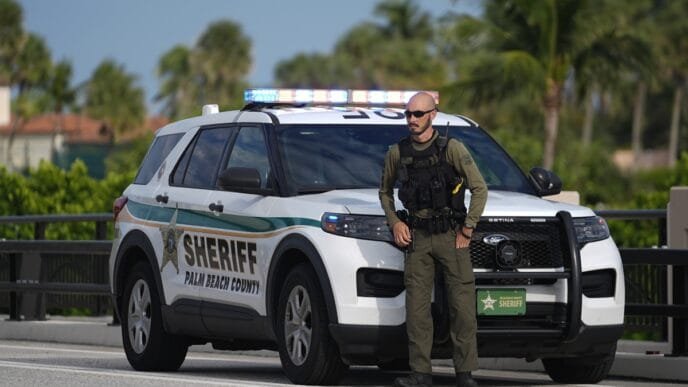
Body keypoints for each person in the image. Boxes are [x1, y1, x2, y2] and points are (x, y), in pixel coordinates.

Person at [379, 92, 487, 387]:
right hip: (417, 238)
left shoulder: (451, 148)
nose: (411, 120)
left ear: (433, 115)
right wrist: (395, 222)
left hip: (451, 237)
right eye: (408, 114)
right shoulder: (397, 153)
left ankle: (464, 374)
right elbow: (384, 193)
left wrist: (468, 229)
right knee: (417, 311)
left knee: (462, 308)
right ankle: (420, 374)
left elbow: (480, 189)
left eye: (418, 114)